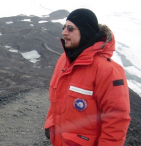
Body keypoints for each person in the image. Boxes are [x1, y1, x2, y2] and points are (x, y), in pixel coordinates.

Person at [44, 8, 131, 146]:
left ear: (85, 31)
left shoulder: (108, 70)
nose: (64, 32)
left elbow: (116, 120)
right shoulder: (63, 60)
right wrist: (51, 122)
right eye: (64, 27)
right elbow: (57, 98)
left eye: (70, 28)